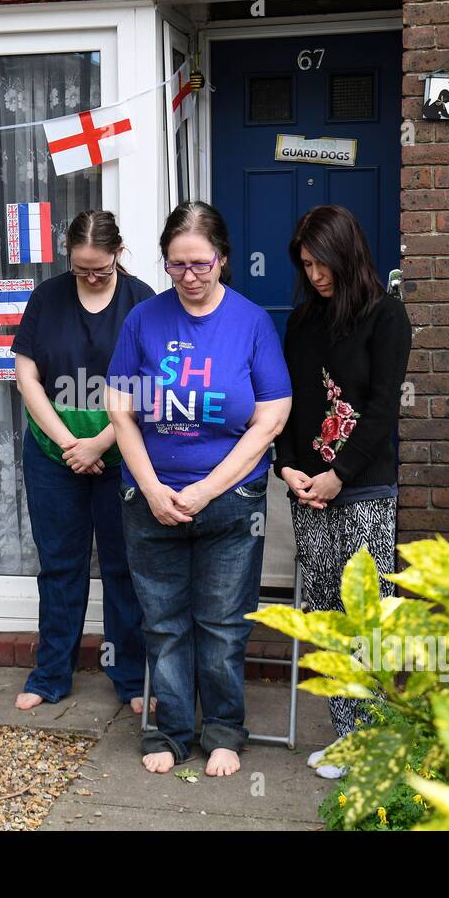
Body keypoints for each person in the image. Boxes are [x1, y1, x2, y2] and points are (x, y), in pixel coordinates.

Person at [106, 201, 292, 777]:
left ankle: (225, 732)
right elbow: (119, 406)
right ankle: (170, 731)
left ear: (222, 259)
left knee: (222, 623)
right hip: (151, 500)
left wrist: (208, 489)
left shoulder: (251, 322)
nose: (189, 276)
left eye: (200, 264)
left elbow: (272, 416)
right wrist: (152, 487)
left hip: (231, 502)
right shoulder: (143, 321)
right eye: (176, 265)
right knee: (162, 622)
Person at [272, 204, 412, 779]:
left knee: (365, 619)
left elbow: (381, 412)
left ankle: (372, 743)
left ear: (346, 254)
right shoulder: (302, 323)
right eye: (305, 264)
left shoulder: (386, 317)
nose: (314, 274)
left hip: (364, 493)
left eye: (321, 262)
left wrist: (339, 474)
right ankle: (346, 736)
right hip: (309, 493)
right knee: (326, 618)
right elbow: (288, 404)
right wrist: (287, 468)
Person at [12, 210, 155, 714]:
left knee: (124, 566)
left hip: (122, 455)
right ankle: (51, 674)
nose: (91, 278)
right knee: (60, 566)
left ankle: (133, 679)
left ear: (119, 253)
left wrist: (99, 443)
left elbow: (153, 386)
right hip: (54, 455)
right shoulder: (46, 297)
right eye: (81, 269)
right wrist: (71, 443)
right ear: (68, 257)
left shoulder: (143, 302)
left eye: (101, 269)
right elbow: (27, 376)